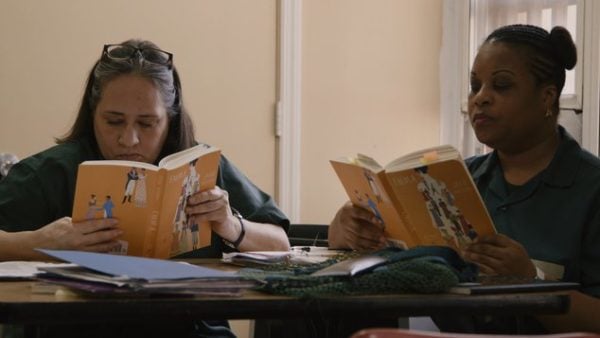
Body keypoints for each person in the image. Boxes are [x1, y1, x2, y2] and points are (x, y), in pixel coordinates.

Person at [0, 39, 290, 337]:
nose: (129, 139)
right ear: (92, 113)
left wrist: (231, 225)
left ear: (171, 119)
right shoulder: (49, 173)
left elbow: (281, 246)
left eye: (147, 123)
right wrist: (36, 242)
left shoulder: (202, 168)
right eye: (113, 121)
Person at [329, 24, 600, 333]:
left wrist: (531, 282)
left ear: (547, 98)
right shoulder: (454, 181)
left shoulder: (590, 189)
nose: (480, 99)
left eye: (501, 86)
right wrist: (345, 232)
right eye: (475, 86)